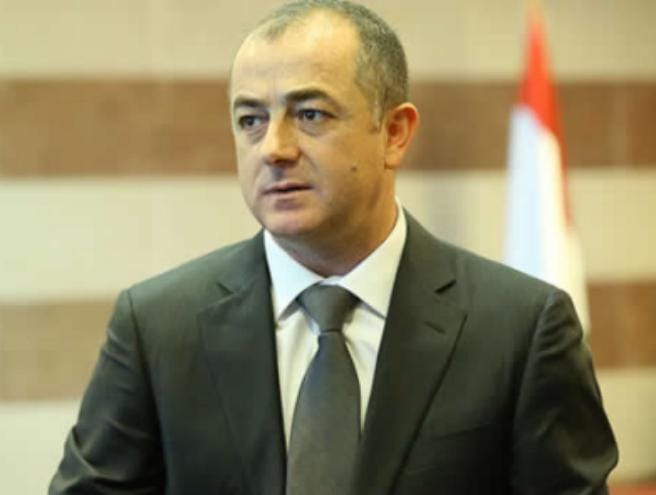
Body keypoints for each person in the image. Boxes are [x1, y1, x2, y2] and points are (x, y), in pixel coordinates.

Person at [50, 1, 618, 494]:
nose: (273, 148)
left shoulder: (522, 328)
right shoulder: (157, 327)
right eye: (251, 119)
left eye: (310, 114)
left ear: (394, 133)